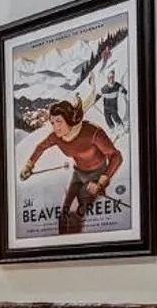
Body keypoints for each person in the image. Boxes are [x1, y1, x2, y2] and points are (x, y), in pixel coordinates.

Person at [19, 100, 123, 234]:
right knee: (63, 213)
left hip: (97, 174)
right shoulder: (57, 137)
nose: (55, 127)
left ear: (69, 119)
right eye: (52, 122)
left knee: (77, 212)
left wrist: (101, 182)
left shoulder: (92, 132)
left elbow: (116, 156)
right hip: (78, 173)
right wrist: (29, 165)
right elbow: (40, 147)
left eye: (59, 121)